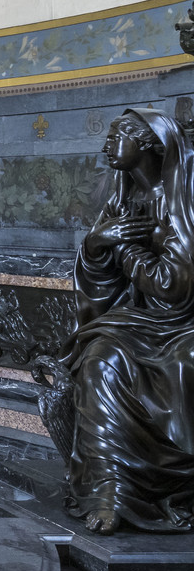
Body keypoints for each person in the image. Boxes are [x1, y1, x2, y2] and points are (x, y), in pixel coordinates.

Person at [57, 108, 194, 535]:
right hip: (141, 320)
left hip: (182, 323)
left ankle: (163, 482)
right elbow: (99, 272)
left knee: (177, 366)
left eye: (116, 137)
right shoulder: (122, 198)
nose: (105, 146)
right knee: (100, 359)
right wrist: (99, 243)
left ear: (148, 143)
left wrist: (127, 251)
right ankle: (109, 489)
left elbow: (173, 284)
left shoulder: (182, 198)